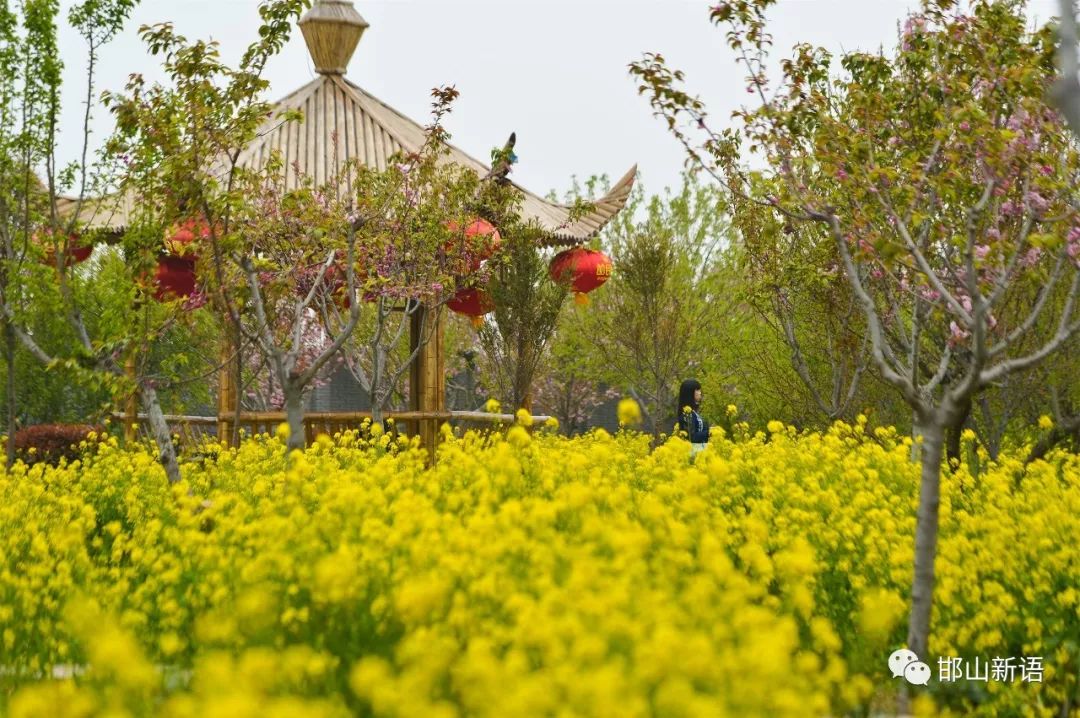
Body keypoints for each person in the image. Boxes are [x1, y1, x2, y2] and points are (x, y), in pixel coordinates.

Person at [676, 379, 710, 455]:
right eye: (697, 390)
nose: (700, 392)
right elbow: (692, 437)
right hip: (693, 454)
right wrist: (709, 433)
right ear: (690, 393)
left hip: (701, 452)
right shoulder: (686, 414)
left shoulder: (694, 412)